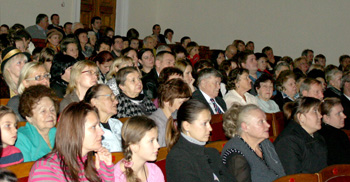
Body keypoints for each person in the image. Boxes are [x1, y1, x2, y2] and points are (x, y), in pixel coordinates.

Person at [29, 102, 114, 181]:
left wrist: (105, 172)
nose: (102, 132)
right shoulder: (46, 169)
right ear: (74, 131)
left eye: (99, 126)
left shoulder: (89, 164)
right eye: (93, 127)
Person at [166, 99, 235, 182]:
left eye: (210, 123)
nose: (210, 128)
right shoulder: (177, 158)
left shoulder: (212, 153)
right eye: (204, 123)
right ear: (187, 126)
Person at [222, 104, 285, 182]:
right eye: (261, 122)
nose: (268, 125)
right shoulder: (235, 154)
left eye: (266, 120)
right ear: (245, 127)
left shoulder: (266, 144)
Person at [274, 97, 327, 175]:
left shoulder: (318, 137)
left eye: (319, 111)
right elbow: (294, 177)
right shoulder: (288, 141)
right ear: (301, 117)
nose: (320, 116)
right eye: (315, 111)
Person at [15, 85, 58, 162]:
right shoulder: (22, 138)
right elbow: (25, 170)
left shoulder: (59, 133)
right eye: (43, 111)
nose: (50, 114)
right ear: (29, 117)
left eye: (52, 110)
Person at [114, 116, 164, 181]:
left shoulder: (154, 171)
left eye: (156, 140)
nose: (158, 145)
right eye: (151, 141)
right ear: (133, 146)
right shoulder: (118, 176)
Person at [149, 79, 191, 147]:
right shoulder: (154, 124)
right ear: (167, 101)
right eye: (181, 102)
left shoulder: (181, 118)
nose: (186, 106)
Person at [84, 84, 123, 152]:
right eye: (110, 97)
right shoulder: (89, 128)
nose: (116, 102)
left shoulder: (118, 124)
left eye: (115, 97)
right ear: (94, 102)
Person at [318, 98, 350, 165]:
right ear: (326, 118)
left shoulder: (339, 133)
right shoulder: (327, 137)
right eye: (338, 114)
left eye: (342, 112)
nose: (344, 116)